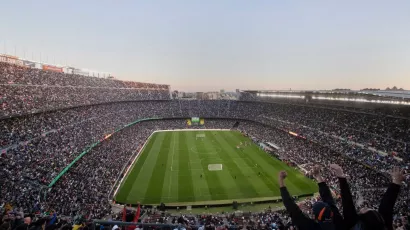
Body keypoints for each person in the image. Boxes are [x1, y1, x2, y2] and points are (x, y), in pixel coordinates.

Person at [330, 164, 405, 230]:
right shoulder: (380, 223)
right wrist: (396, 183)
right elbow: (386, 208)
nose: (365, 207)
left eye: (363, 213)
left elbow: (347, 204)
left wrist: (341, 177)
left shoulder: (352, 224)